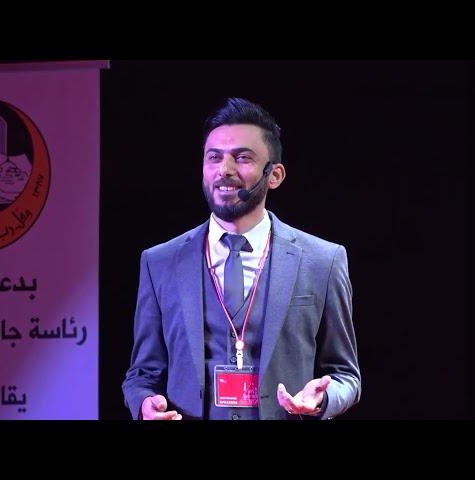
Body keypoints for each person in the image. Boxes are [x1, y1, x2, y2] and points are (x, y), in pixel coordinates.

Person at [122, 97, 361, 420]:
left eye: (242, 158)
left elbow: (346, 376)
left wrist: (322, 399)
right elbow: (142, 374)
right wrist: (144, 404)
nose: (225, 170)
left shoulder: (323, 261)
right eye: (214, 157)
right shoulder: (160, 262)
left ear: (274, 175)